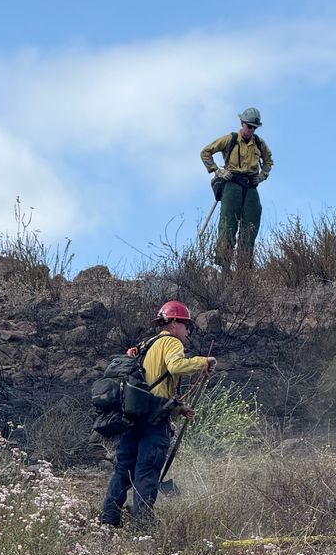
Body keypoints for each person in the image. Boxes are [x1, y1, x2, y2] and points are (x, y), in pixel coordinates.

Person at [101, 300, 217, 527]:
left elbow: (151, 388)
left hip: (132, 418)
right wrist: (205, 361)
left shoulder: (144, 346)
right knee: (147, 472)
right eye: (186, 326)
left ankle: (109, 520)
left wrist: (179, 409)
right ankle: (142, 525)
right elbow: (175, 367)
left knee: (123, 471)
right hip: (154, 424)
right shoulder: (171, 343)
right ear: (174, 323)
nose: (187, 332)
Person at [200, 107, 274, 269]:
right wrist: (218, 171)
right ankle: (223, 266)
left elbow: (269, 161)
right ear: (242, 123)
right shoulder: (230, 139)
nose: (251, 130)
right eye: (249, 126)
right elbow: (206, 152)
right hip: (232, 183)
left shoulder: (259, 144)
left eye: (254, 127)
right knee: (228, 225)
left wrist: (261, 177)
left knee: (251, 225)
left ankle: (244, 268)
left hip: (251, 186)